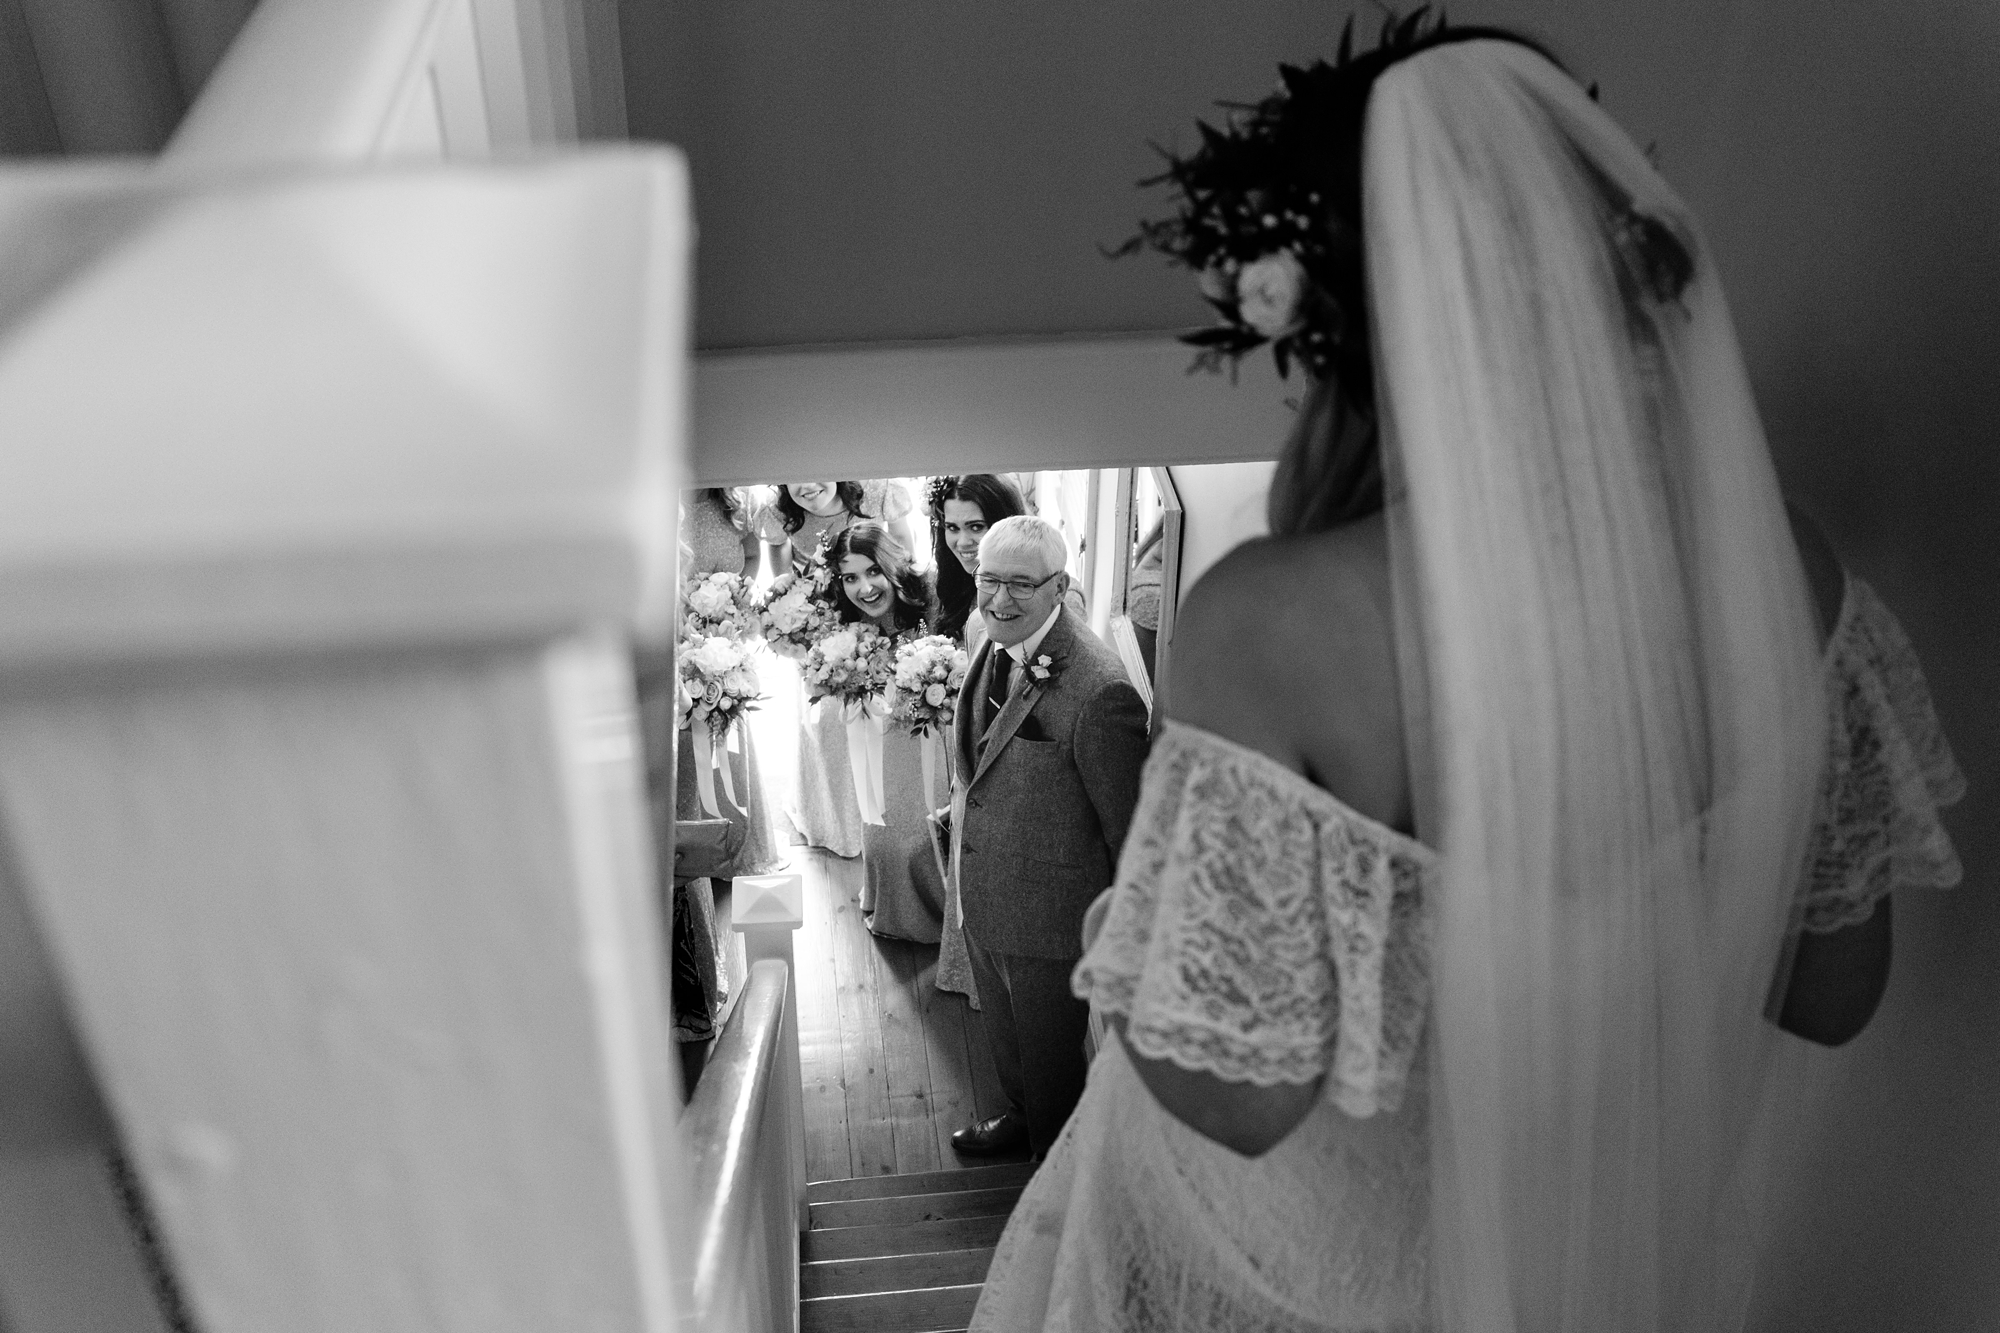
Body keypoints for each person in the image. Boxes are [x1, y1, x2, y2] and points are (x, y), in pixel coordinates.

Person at [973, 21, 1964, 1333]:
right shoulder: (1786, 571)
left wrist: (1137, 931)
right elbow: (1833, 992)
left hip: (1294, 1277)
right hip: (1580, 1257)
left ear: (1341, 333)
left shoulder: (1277, 618)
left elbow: (1242, 1100)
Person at [946, 515, 1150, 1161]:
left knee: (1051, 1059)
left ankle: (1057, 1167)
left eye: (1021, 585)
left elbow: (1129, 826)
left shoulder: (1101, 689)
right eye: (989, 580)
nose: (1000, 599)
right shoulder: (991, 637)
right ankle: (1021, 1118)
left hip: (1053, 918)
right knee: (1008, 1041)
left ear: (1059, 586)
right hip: (985, 892)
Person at [756, 480, 914, 855]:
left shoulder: (877, 493)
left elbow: (902, 544)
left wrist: (900, 592)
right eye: (795, 480)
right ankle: (838, 818)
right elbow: (781, 560)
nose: (808, 486)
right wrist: (793, 599)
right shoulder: (779, 512)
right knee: (829, 721)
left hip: (885, 604)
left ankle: (889, 805)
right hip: (828, 616)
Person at [927, 473, 1033, 1004]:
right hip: (966, 752)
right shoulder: (955, 588)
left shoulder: (1028, 598)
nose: (964, 541)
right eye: (952, 527)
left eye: (977, 526)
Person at [823, 521, 949, 943]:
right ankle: (892, 907)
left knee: (926, 830)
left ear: (892, 563)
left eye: (873, 571)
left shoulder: (932, 598)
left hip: (932, 737)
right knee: (883, 829)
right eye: (850, 578)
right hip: (877, 739)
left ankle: (942, 910)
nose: (864, 588)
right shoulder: (842, 622)